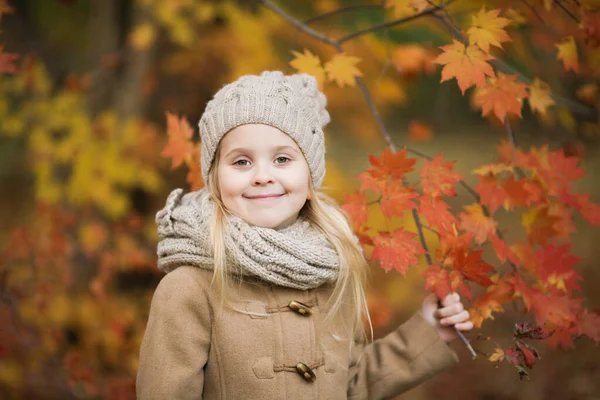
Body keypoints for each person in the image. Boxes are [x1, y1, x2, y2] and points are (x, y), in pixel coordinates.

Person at [136, 71, 473, 399]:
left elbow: (350, 386)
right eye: (241, 162)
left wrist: (429, 332)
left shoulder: (331, 269)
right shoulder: (189, 288)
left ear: (310, 178)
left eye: (282, 158)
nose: (262, 176)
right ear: (215, 180)